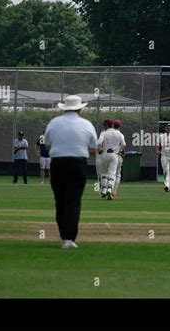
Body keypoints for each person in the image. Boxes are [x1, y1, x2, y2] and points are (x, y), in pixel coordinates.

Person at [44, 95, 98, 249]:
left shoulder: (54, 123)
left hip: (58, 163)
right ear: (80, 108)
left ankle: (64, 235)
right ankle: (69, 238)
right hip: (77, 164)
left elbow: (47, 146)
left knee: (60, 200)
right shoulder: (86, 124)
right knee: (73, 201)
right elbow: (94, 149)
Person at [97, 118, 126, 200]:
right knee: (112, 173)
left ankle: (103, 190)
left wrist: (99, 150)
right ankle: (110, 189)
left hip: (105, 154)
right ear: (112, 125)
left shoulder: (104, 133)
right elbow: (124, 144)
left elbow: (99, 143)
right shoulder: (119, 134)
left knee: (104, 173)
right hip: (114, 155)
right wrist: (118, 149)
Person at [95, 119, 111, 195]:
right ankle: (102, 190)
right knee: (100, 174)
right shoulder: (103, 133)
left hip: (104, 155)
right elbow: (99, 144)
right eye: (104, 125)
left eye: (106, 125)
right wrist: (99, 150)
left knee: (105, 174)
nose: (105, 126)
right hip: (101, 155)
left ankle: (105, 189)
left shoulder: (106, 133)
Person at [112, 119, 126, 199]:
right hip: (118, 155)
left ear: (113, 125)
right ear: (120, 126)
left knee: (110, 174)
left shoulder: (107, 133)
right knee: (117, 175)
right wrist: (121, 150)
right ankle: (114, 193)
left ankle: (107, 190)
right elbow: (123, 144)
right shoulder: (120, 134)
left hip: (109, 155)